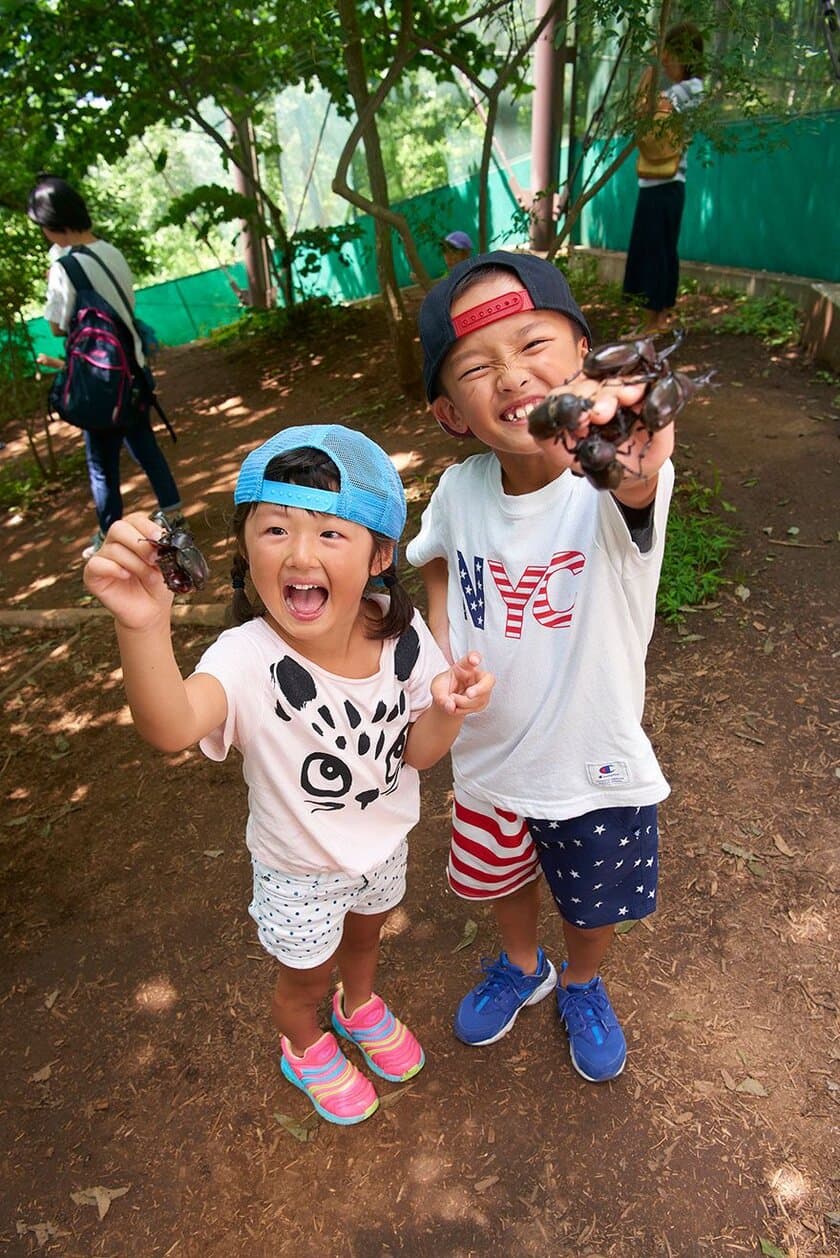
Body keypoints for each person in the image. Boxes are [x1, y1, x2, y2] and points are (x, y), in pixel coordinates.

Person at [83, 423, 494, 1125]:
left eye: (332, 533)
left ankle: (358, 1003)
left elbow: (419, 754)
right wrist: (143, 625)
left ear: (380, 555)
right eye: (275, 529)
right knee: (302, 977)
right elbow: (171, 725)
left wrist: (448, 712)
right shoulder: (244, 658)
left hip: (384, 844)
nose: (301, 553)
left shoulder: (401, 635)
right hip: (298, 871)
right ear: (245, 549)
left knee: (367, 936)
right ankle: (304, 1042)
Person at [406, 250, 675, 1083]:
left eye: (533, 345)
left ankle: (584, 982)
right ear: (452, 412)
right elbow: (436, 562)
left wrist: (633, 448)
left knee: (591, 903)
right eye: (478, 367)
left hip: (592, 765)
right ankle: (525, 968)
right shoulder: (459, 488)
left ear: (583, 356)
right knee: (501, 879)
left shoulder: (608, 484)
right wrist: (445, 653)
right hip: (487, 759)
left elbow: (638, 479)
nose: (513, 375)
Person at [27, 174, 184, 559]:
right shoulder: (111, 252)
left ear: (50, 225)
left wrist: (57, 276)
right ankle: (174, 513)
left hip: (100, 379)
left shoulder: (65, 267)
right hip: (133, 369)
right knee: (145, 446)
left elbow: (56, 325)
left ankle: (108, 533)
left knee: (101, 464)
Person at [622, 23, 705, 333]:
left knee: (655, 251)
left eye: (670, 56)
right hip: (665, 184)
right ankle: (662, 318)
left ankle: (652, 323)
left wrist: (650, 66)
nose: (666, 63)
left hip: (663, 183)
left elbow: (643, 110)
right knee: (663, 250)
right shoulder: (685, 91)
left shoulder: (687, 90)